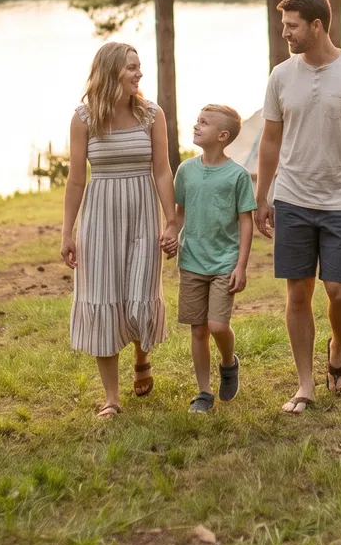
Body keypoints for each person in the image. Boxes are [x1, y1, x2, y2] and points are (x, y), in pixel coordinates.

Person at [256, 0, 341, 415]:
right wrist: (263, 196)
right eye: (283, 25)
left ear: (316, 26)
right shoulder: (280, 75)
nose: (285, 33)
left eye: (291, 25)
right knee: (298, 294)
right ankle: (305, 385)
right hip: (292, 197)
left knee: (339, 292)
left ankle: (338, 347)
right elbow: (270, 139)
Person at [62, 42, 177, 419]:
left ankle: (142, 357)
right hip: (100, 214)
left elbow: (162, 169)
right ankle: (111, 397)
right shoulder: (84, 119)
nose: (139, 73)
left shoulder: (151, 114)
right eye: (131, 67)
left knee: (142, 288)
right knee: (102, 294)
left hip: (142, 209)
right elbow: (76, 180)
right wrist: (68, 232)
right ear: (111, 72)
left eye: (139, 66)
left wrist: (170, 219)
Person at [166, 105, 256, 414]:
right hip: (191, 261)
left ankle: (229, 364)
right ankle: (203, 392)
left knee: (218, 326)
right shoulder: (186, 171)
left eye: (204, 123)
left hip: (224, 263)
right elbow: (179, 211)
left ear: (222, 135)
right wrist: (171, 235)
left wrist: (240, 266)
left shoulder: (238, 176)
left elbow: (246, 221)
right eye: (197, 121)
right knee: (198, 329)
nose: (196, 126)